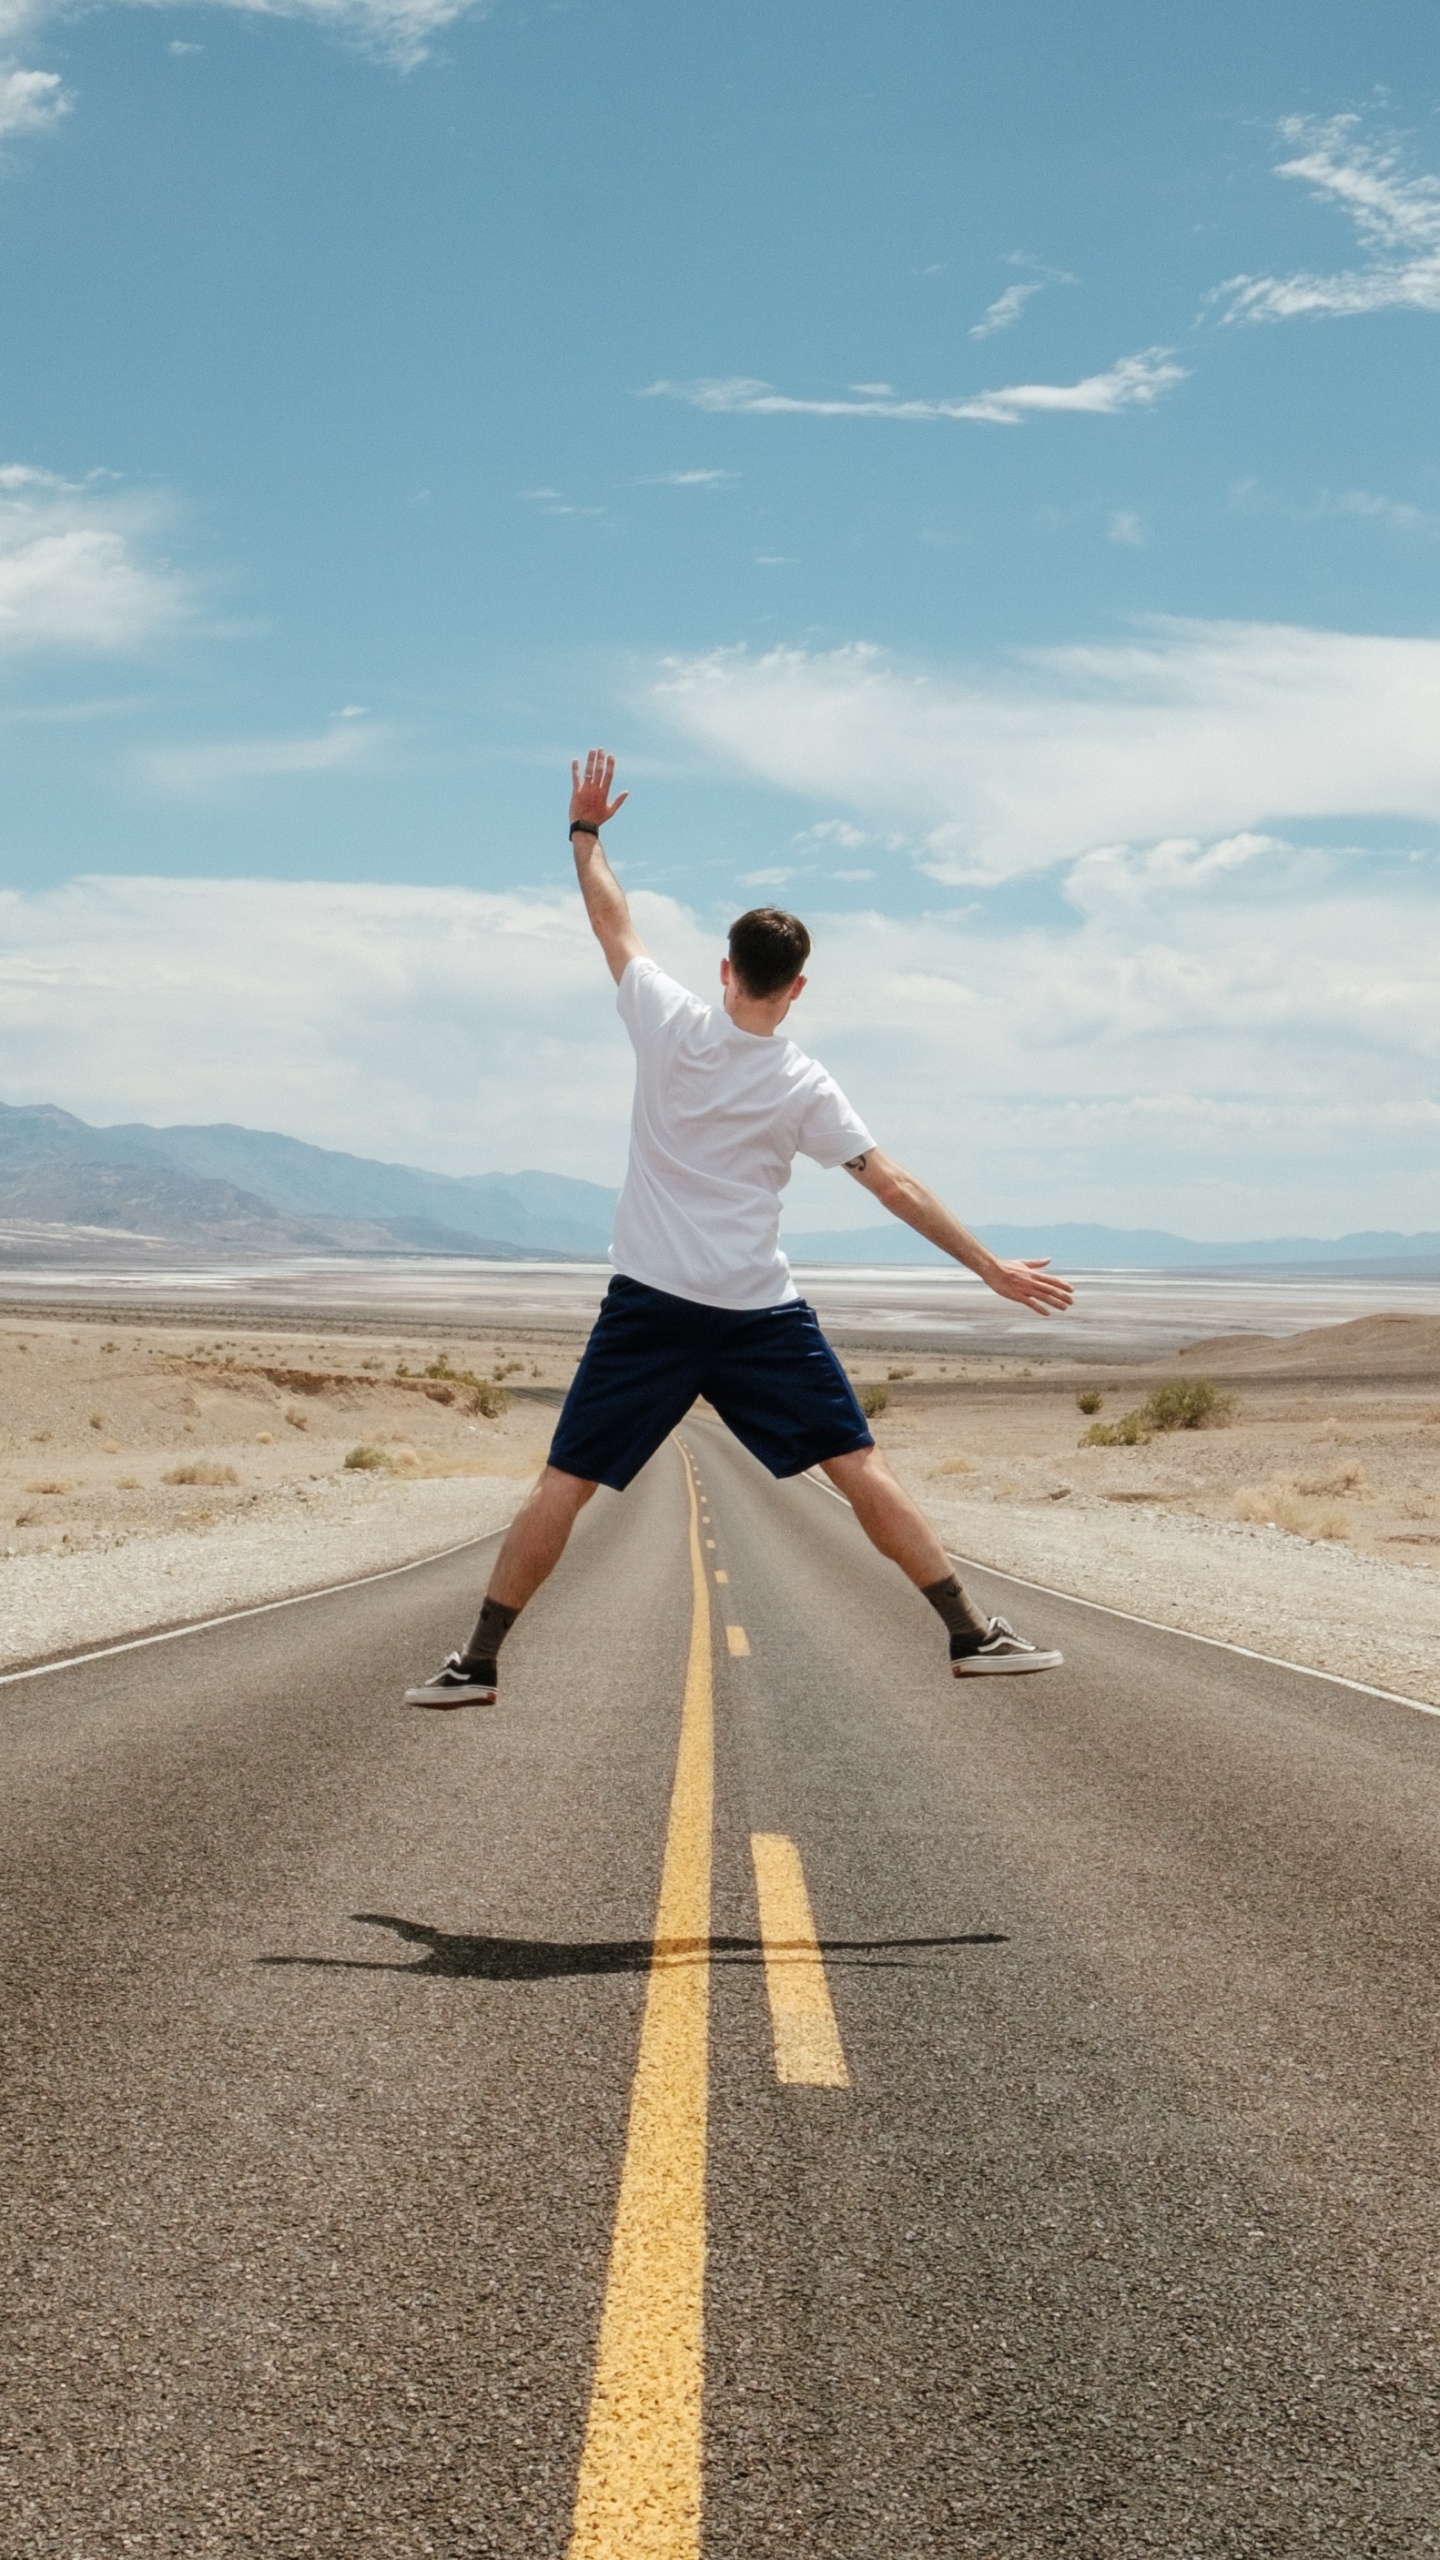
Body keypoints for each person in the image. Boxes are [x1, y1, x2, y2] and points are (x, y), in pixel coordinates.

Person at [405, 750, 1073, 1707]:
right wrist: (988, 1267)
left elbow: (610, 917)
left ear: (725, 971)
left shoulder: (666, 1018)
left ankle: (475, 1663)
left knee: (566, 1482)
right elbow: (892, 1184)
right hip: (760, 1314)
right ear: (798, 986)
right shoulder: (805, 1085)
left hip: (650, 1308)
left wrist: (584, 831)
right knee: (858, 1466)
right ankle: (971, 1633)